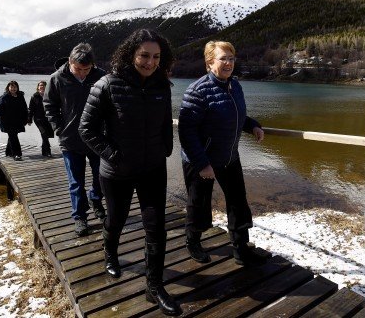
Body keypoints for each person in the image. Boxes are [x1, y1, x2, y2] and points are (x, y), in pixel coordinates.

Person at [79, 29, 181, 316]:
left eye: (156, 57)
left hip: (152, 169)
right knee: (117, 218)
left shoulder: (162, 85)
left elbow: (164, 124)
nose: (150, 62)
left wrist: (166, 149)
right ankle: (110, 253)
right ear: (131, 54)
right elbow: (86, 129)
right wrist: (112, 154)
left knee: (156, 227)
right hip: (117, 171)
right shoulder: (107, 84)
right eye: (144, 56)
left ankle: (154, 287)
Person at [178, 41, 270, 267]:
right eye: (223, 58)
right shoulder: (197, 90)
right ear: (210, 62)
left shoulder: (235, 86)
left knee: (238, 202)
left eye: (231, 58)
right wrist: (202, 164)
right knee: (198, 203)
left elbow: (237, 117)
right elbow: (186, 131)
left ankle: (241, 248)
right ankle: (193, 242)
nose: (229, 63)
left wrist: (253, 126)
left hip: (229, 157)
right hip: (201, 159)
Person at [44, 43, 106, 237]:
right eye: (78, 69)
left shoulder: (101, 77)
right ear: (70, 62)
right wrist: (59, 128)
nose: (81, 74)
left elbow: (111, 104)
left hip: (96, 138)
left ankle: (95, 198)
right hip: (70, 140)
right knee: (76, 182)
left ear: (93, 66)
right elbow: (49, 105)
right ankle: (80, 216)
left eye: (86, 69)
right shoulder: (56, 79)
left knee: (102, 177)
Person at [0, 80, 28, 161]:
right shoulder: (4, 97)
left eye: (15, 87)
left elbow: (24, 108)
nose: (13, 88)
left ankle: (8, 152)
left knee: (12, 136)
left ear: (17, 88)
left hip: (17, 121)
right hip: (7, 121)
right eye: (11, 87)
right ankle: (17, 154)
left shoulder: (20, 96)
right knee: (13, 136)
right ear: (8, 88)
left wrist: (26, 119)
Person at [27, 80, 54, 157]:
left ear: (46, 87)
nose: (42, 86)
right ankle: (48, 151)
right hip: (38, 119)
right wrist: (29, 119)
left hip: (48, 118)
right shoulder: (34, 96)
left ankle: (44, 151)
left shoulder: (49, 95)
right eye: (40, 85)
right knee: (44, 133)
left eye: (43, 85)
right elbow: (30, 109)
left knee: (46, 135)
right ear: (38, 87)